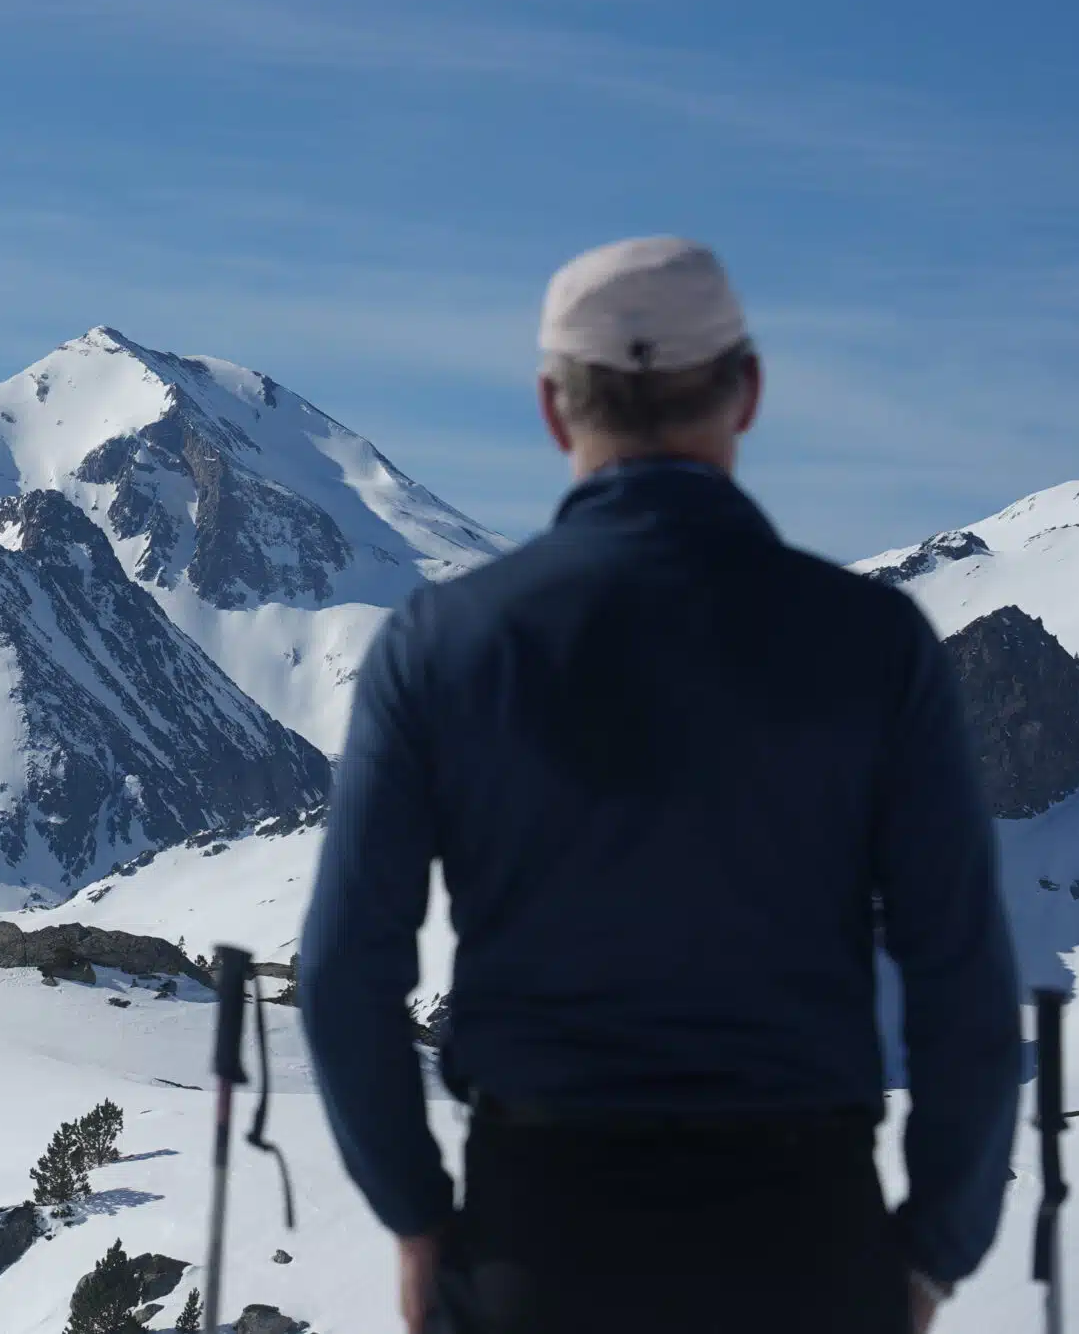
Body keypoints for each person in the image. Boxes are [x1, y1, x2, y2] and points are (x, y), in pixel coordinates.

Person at [297, 238, 1021, 1334]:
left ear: (551, 407)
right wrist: (927, 1254)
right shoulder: (872, 645)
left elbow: (345, 972)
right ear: (749, 391)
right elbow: (964, 981)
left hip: (532, 1245)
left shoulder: (441, 646)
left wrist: (415, 1217)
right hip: (807, 1247)